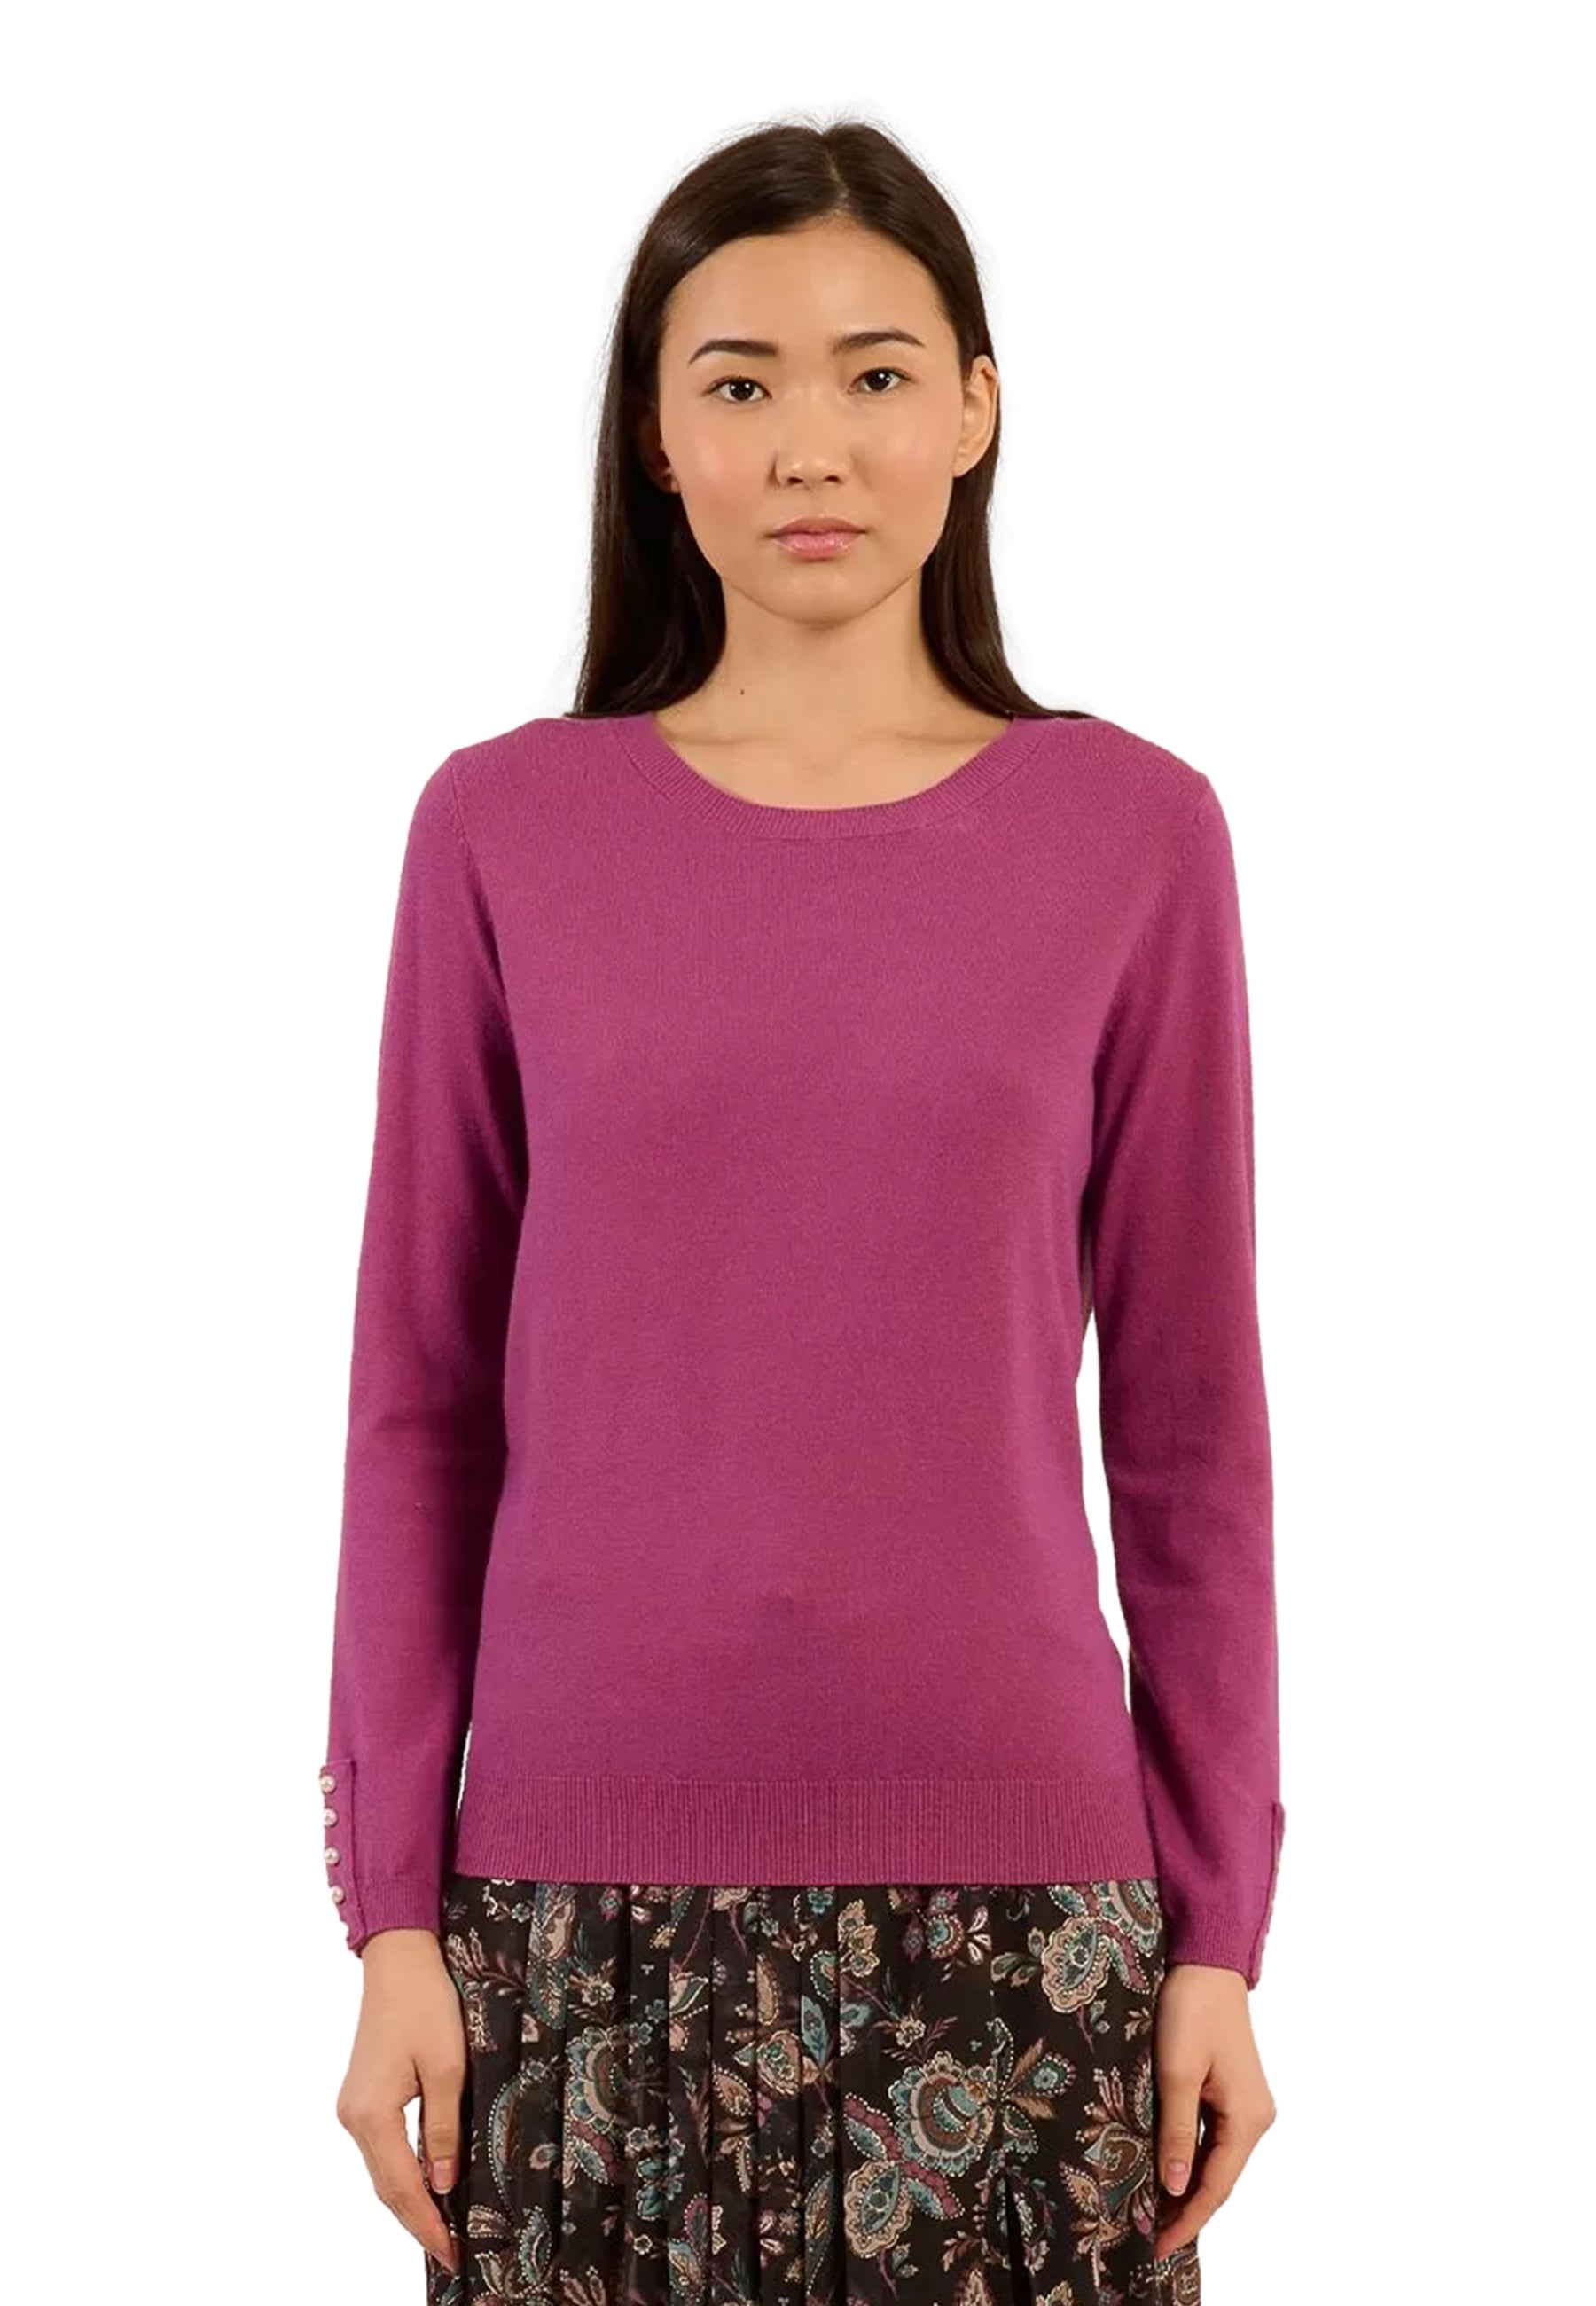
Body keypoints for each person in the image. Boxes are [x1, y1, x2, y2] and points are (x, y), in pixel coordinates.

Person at [318, 115, 1283, 2306]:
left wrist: (1220, 1928)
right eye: (739, 380)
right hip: (564, 1930)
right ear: (656, 438)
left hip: (1035, 1927)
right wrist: (392, 1917)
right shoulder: (502, 831)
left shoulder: (1135, 837)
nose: (810, 444)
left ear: (977, 408)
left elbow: (1193, 1433)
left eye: (874, 371)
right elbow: (419, 1405)